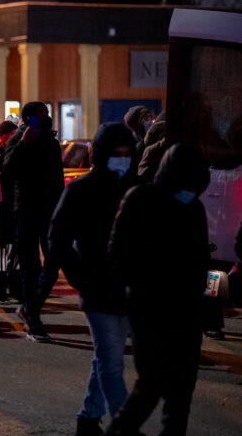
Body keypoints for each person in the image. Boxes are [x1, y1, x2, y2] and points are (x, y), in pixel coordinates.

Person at [106, 144, 211, 436]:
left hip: (186, 309)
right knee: (151, 384)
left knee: (181, 391)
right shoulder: (141, 198)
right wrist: (144, 284)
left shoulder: (194, 206)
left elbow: (200, 258)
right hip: (148, 306)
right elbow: (118, 252)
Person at [48, 123, 138, 436]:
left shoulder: (135, 189)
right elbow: (57, 239)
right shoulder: (81, 190)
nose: (123, 160)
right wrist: (82, 279)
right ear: (100, 155)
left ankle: (88, 418)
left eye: (127, 154)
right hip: (97, 289)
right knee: (112, 361)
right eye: (116, 155)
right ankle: (124, 425)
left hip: (128, 289)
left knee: (106, 356)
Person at [3, 101, 64, 341]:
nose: (46, 119)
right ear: (29, 119)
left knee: (53, 261)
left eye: (47, 115)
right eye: (41, 116)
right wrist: (23, 144)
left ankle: (31, 307)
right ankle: (34, 322)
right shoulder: (17, 141)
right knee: (30, 266)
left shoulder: (50, 142)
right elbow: (8, 171)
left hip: (49, 211)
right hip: (26, 210)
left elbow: (58, 178)